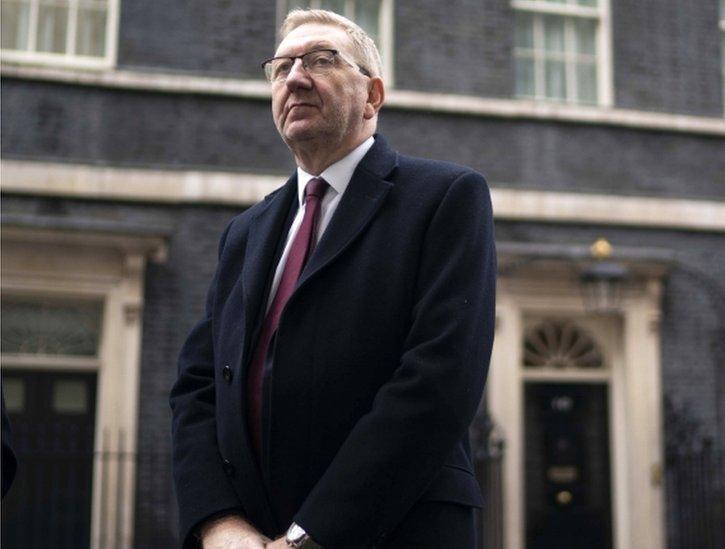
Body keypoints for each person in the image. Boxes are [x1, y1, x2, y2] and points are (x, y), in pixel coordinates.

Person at [169, 9, 496, 548]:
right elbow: (199, 387)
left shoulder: (445, 197)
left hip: (393, 532)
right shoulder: (245, 232)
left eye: (321, 60)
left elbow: (438, 379)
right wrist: (220, 524)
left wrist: (308, 538)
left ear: (373, 95)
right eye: (281, 68)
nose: (295, 78)